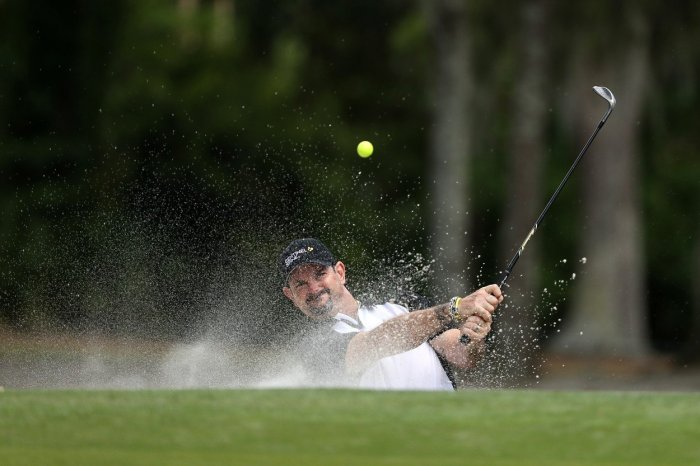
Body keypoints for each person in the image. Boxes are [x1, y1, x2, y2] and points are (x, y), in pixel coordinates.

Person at [279, 237, 504, 390]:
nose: (314, 288)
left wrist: (473, 336)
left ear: (340, 272)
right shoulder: (310, 346)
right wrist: (453, 309)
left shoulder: (401, 304)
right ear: (290, 296)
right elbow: (377, 342)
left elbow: (464, 356)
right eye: (301, 284)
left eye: (320, 274)